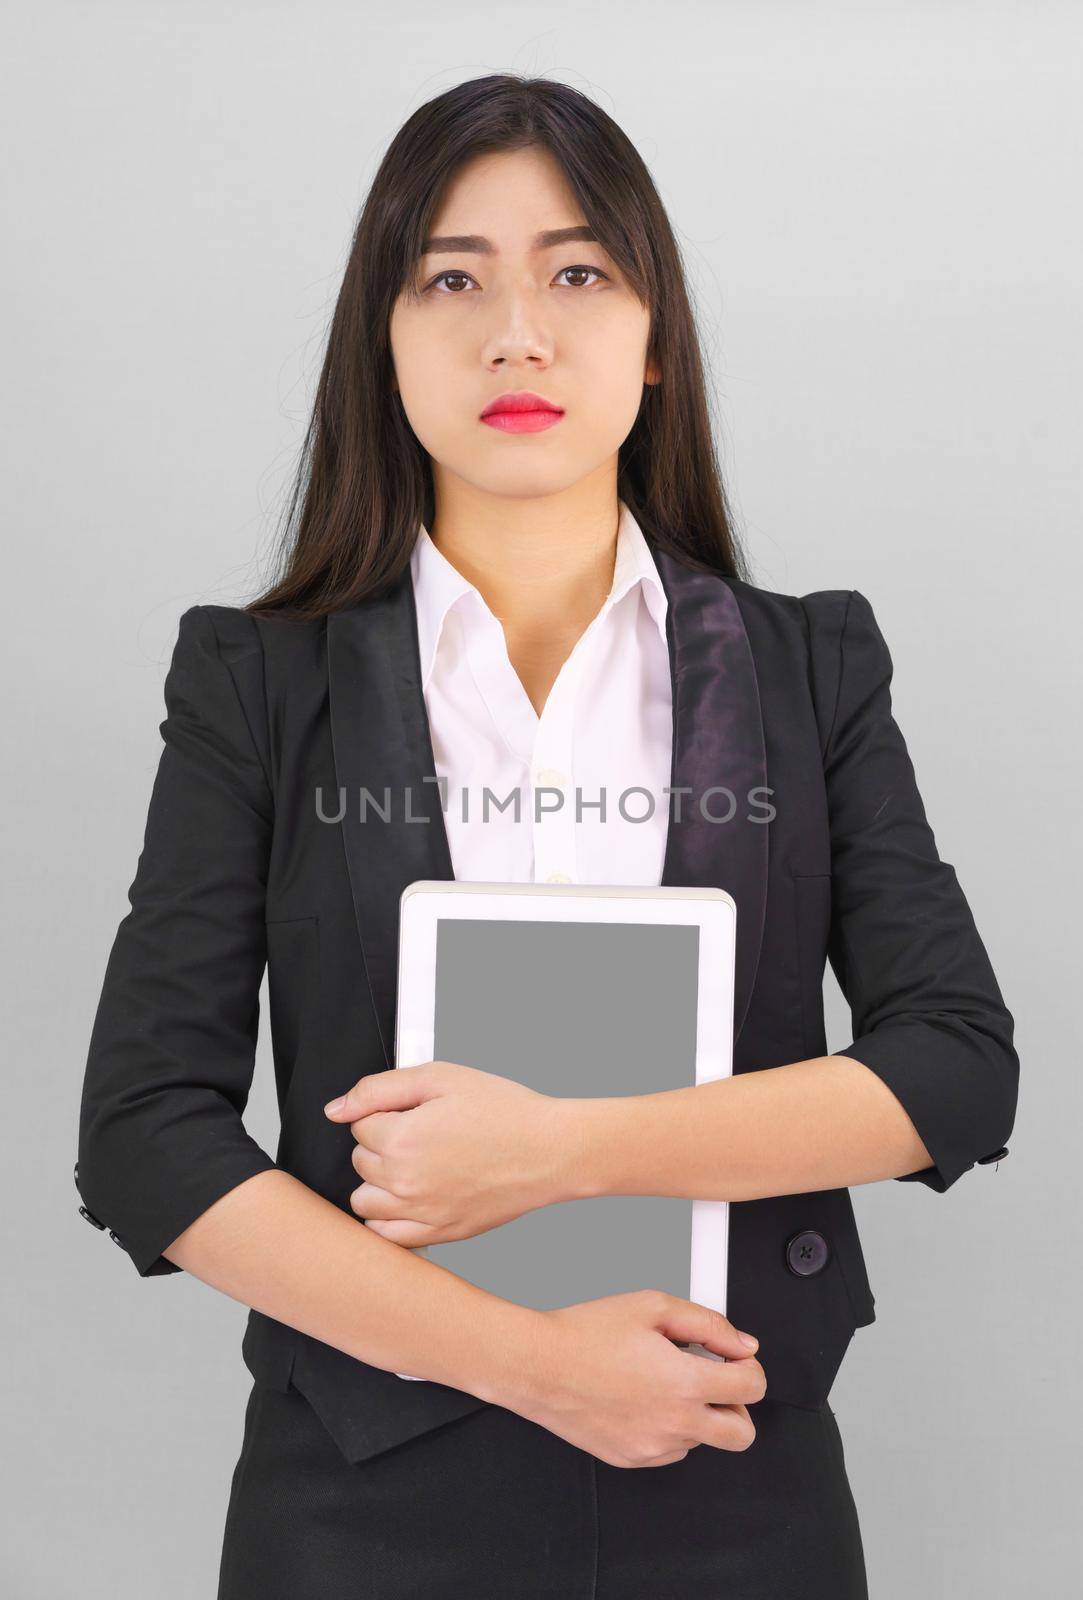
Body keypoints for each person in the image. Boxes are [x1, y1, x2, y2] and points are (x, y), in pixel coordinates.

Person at [75, 74, 1019, 1599]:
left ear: (656, 345)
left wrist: (568, 1153)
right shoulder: (262, 680)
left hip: (731, 1472)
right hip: (364, 1505)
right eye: (452, 277)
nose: (517, 330)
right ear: (383, 347)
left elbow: (957, 1069)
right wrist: (535, 1363)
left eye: (578, 272)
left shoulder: (806, 667)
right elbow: (143, 1135)